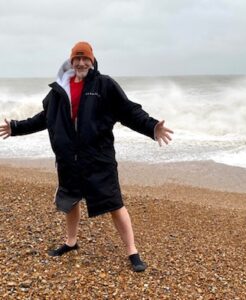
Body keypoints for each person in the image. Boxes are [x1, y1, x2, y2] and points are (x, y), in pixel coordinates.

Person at [0, 41, 173, 272]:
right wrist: (16, 127)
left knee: (114, 203)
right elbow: (44, 118)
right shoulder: (59, 89)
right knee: (70, 200)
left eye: (86, 59)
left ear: (92, 61)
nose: (81, 63)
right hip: (68, 159)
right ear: (71, 61)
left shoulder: (104, 85)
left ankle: (132, 250)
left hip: (98, 158)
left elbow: (129, 111)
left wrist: (152, 127)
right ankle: (71, 242)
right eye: (77, 59)